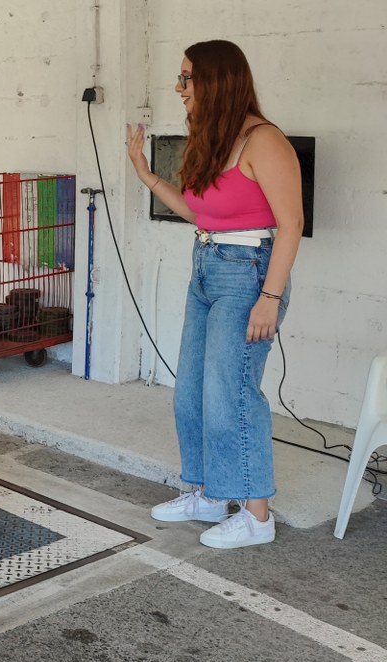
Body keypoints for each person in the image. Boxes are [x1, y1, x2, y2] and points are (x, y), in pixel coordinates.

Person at [127, 40, 302, 549]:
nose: (179, 89)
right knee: (193, 392)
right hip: (207, 267)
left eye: (187, 78)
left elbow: (291, 225)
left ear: (216, 81)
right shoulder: (216, 138)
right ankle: (209, 493)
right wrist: (145, 174)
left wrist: (269, 298)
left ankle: (256, 516)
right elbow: (200, 215)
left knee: (232, 394)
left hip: (248, 276)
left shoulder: (265, 142)